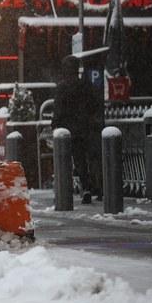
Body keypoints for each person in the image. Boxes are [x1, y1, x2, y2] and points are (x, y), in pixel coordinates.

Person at [51, 55, 103, 204]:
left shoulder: (62, 86)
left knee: (64, 161)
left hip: (66, 130)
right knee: (82, 160)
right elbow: (93, 105)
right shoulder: (85, 85)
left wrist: (54, 123)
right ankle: (86, 187)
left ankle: (63, 192)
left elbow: (58, 108)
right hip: (83, 128)